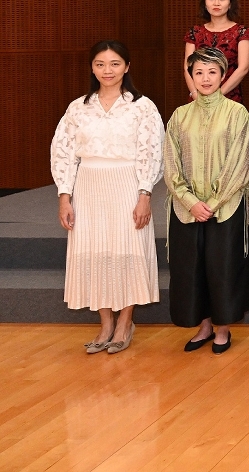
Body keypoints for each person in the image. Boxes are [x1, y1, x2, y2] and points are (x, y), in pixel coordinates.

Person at [52, 41, 163, 354]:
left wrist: (144, 194)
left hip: (127, 184)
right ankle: (105, 325)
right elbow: (63, 153)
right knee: (94, 251)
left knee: (127, 250)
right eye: (100, 64)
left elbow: (152, 152)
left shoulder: (142, 107)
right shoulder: (78, 108)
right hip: (88, 187)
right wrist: (64, 196)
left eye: (115, 64)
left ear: (127, 67)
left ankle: (125, 323)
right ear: (92, 68)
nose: (107, 70)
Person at [163, 46, 249, 355]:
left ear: (223, 75)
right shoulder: (180, 115)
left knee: (222, 267)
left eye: (212, 72)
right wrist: (189, 200)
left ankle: (223, 329)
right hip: (186, 208)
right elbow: (171, 163)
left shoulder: (237, 113)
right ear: (190, 76)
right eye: (198, 72)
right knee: (191, 268)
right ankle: (203, 326)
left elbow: (239, 163)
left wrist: (213, 202)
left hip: (225, 207)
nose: (205, 78)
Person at [183, 0, 249, 103]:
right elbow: (187, 67)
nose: (216, 3)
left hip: (228, 98)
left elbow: (243, 68)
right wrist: (195, 95)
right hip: (198, 99)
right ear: (205, 3)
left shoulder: (241, 32)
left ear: (230, 4)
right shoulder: (195, 32)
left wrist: (217, 96)